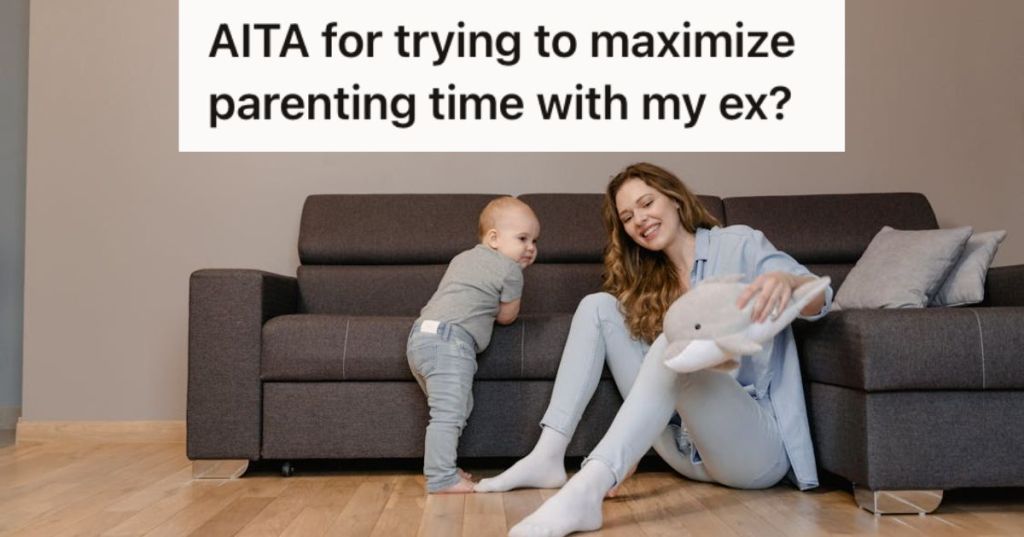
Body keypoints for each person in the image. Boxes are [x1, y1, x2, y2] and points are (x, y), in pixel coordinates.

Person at [473, 163, 832, 536]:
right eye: (628, 217)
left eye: (647, 203)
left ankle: (587, 487)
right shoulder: (647, 279)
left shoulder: (738, 243)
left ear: (675, 199)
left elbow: (820, 297)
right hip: (682, 450)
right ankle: (548, 455)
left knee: (673, 343)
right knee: (598, 306)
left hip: (752, 453)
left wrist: (787, 280)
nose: (640, 220)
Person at [408, 196, 540, 494]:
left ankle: (445, 465)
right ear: (494, 238)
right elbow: (508, 316)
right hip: (450, 343)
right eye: (522, 238)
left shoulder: (463, 258)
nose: (531, 247)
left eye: (534, 240)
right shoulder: (510, 270)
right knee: (449, 413)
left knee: (456, 407)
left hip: (420, 338)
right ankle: (441, 478)